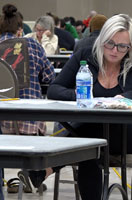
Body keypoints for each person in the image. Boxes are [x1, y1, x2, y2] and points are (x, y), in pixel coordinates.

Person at [46, 14, 132, 200]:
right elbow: (54, 89)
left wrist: (130, 96)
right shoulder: (85, 57)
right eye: (110, 43)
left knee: (88, 137)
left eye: (122, 46)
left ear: (131, 46)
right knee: (89, 148)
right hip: (92, 134)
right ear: (102, 39)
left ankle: (45, 168)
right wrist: (81, 96)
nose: (114, 50)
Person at [0, 3, 55, 193]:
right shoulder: (32, 44)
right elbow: (50, 78)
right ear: (20, 30)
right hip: (29, 122)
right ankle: (33, 176)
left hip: (1, 125)